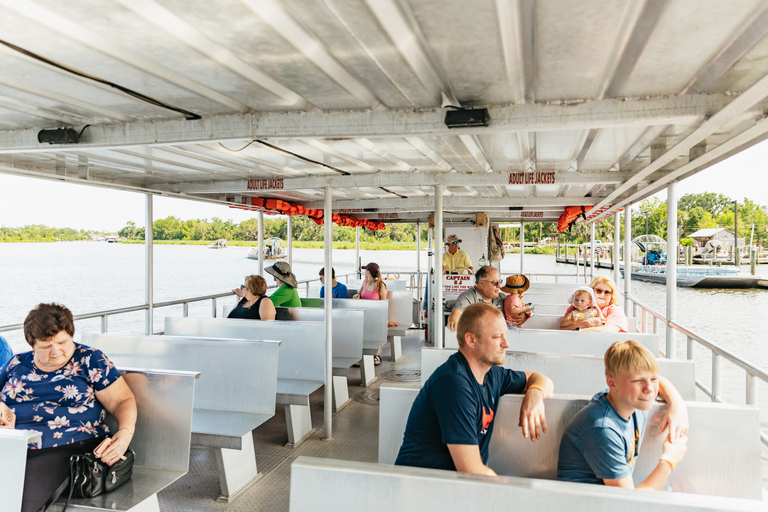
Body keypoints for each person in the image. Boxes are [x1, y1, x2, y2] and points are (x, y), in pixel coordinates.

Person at [0, 303, 137, 512]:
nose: (56, 352)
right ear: (32, 344)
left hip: (67, 446)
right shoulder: (17, 363)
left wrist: (125, 433)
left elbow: (122, 400)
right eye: (46, 346)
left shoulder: (90, 360)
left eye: (63, 342)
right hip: (11, 444)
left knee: (15, 501)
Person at [395, 303, 553, 474]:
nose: (506, 344)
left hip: (454, 487)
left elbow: (542, 379)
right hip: (421, 488)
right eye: (496, 337)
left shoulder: (492, 375)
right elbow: (471, 471)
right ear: (471, 340)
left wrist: (535, 394)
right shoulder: (454, 383)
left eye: (505, 335)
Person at [557, 340, 689, 489]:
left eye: (653, 379)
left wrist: (678, 406)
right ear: (612, 384)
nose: (649, 389)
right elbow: (628, 504)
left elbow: (661, 382)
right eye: (638, 381)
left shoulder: (629, 400)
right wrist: (669, 460)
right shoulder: (602, 429)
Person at [446, 266, 527, 331]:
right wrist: (453, 318)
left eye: (500, 282)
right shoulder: (469, 296)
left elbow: (519, 307)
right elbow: (457, 311)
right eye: (495, 283)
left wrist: (524, 316)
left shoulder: (501, 297)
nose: (499, 286)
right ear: (482, 283)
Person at [562, 276, 628, 332]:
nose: (602, 294)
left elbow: (609, 329)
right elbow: (562, 328)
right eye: (599, 290)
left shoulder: (615, 309)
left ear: (611, 295)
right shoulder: (577, 307)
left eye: (607, 292)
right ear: (592, 291)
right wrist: (585, 323)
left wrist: (579, 329)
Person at [354, 262, 387, 365]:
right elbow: (359, 294)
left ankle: (376, 354)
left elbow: (384, 305)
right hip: (363, 314)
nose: (364, 272)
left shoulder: (380, 286)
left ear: (368, 272)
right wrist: (356, 297)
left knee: (376, 328)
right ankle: (359, 354)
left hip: (376, 316)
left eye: (365, 270)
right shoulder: (365, 282)